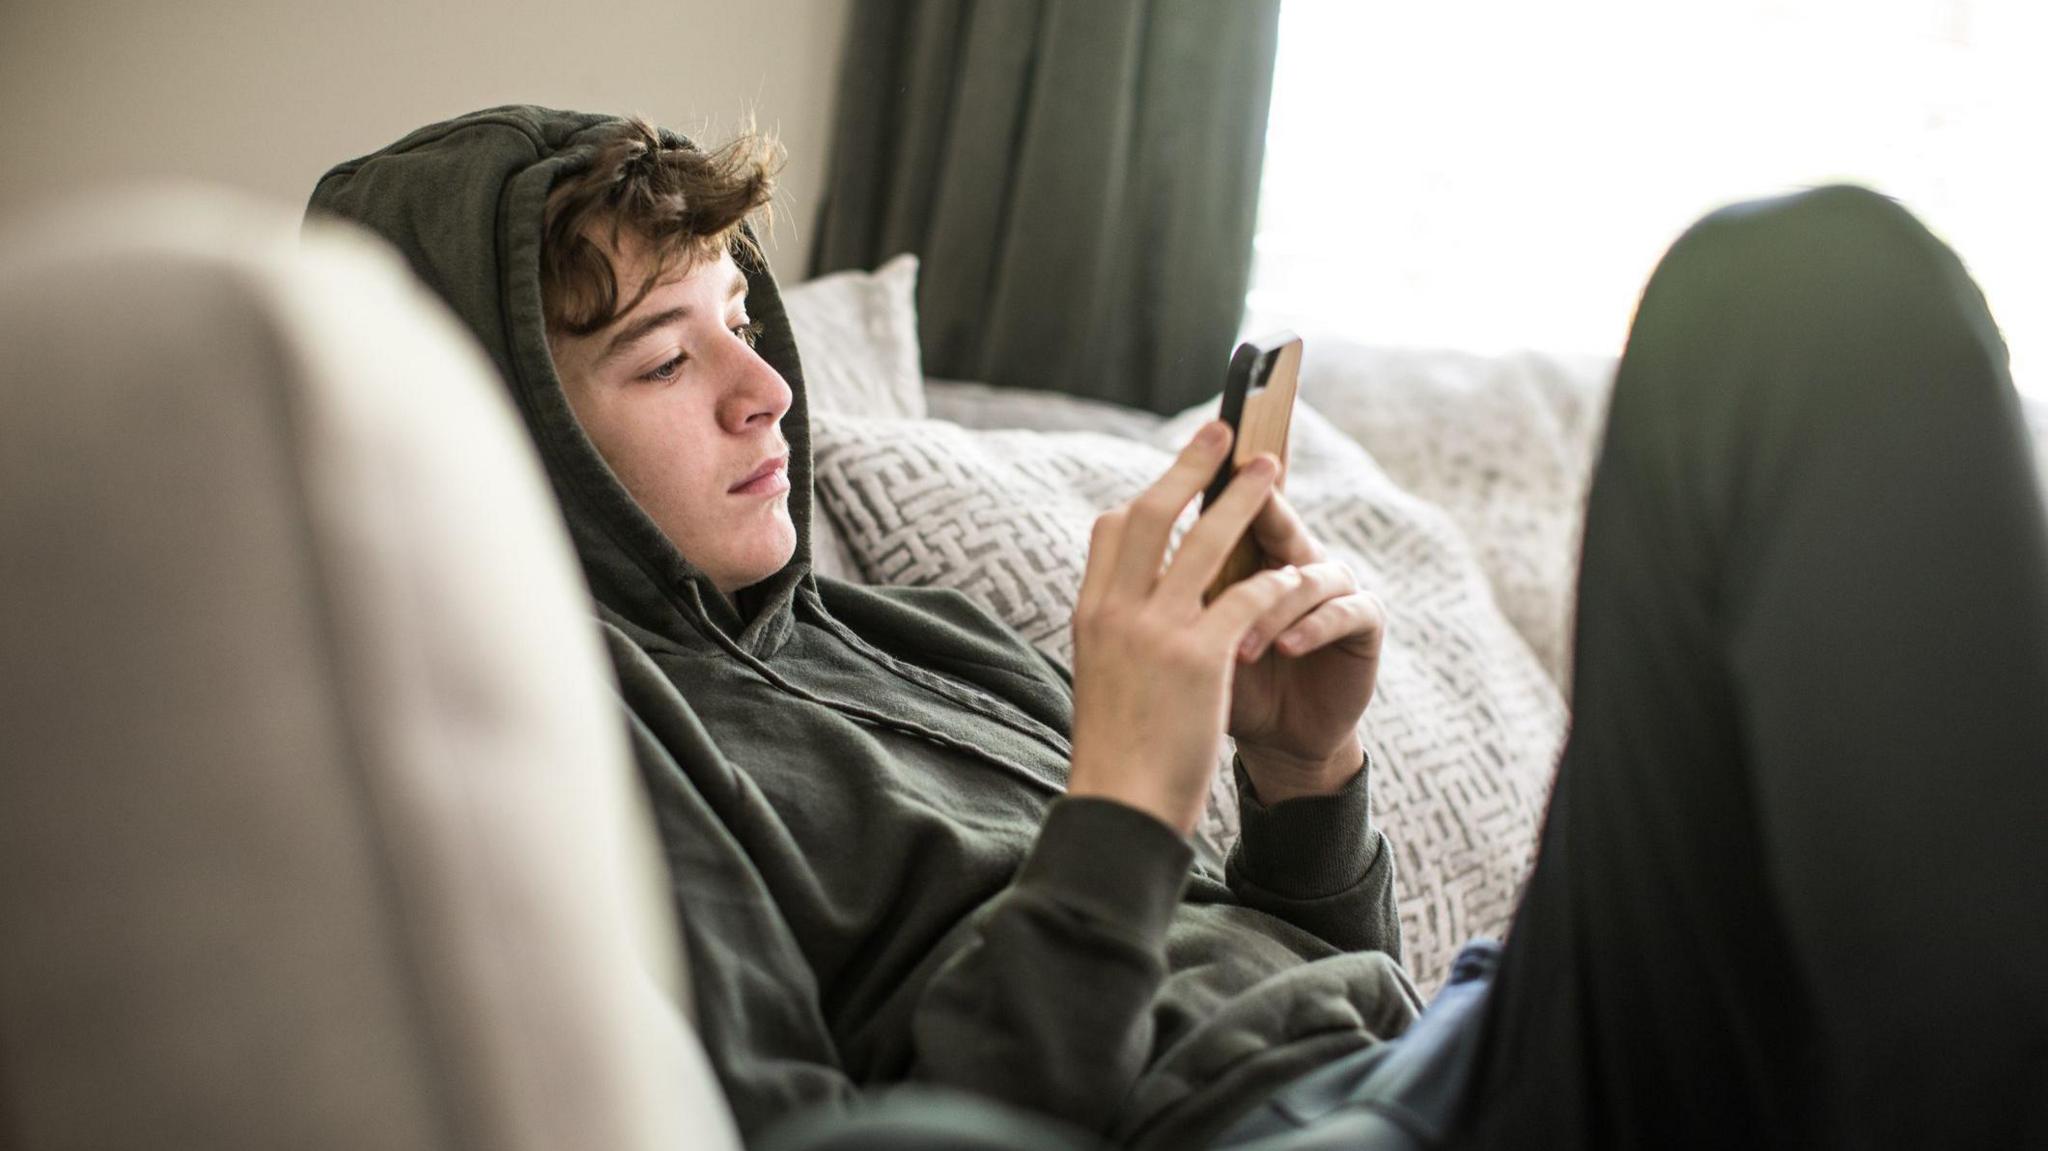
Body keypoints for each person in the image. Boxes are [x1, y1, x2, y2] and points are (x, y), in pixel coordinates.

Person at [309, 106, 2048, 1150]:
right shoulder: (581, 767)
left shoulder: (899, 639)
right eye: (668, 359)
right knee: (1792, 300)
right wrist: (1127, 803)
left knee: (1817, 298)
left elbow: (1260, 990)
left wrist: (1305, 789)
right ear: (495, 429)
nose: (769, 390)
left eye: (739, 320)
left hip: (1432, 1056)